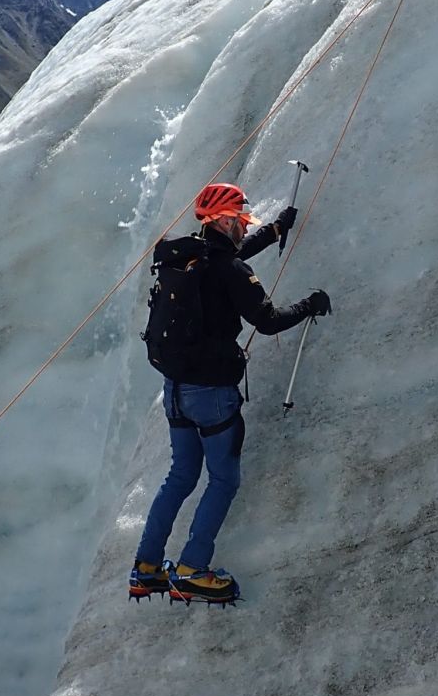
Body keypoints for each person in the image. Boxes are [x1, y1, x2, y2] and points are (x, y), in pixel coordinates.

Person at [131, 182, 331, 604]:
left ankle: (146, 568)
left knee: (181, 475)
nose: (244, 227)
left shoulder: (188, 257)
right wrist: (309, 304)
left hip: (176, 388)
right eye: (241, 221)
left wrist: (275, 231)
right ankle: (191, 570)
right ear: (223, 219)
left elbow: (228, 258)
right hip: (212, 393)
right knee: (223, 479)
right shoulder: (230, 270)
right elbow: (269, 320)